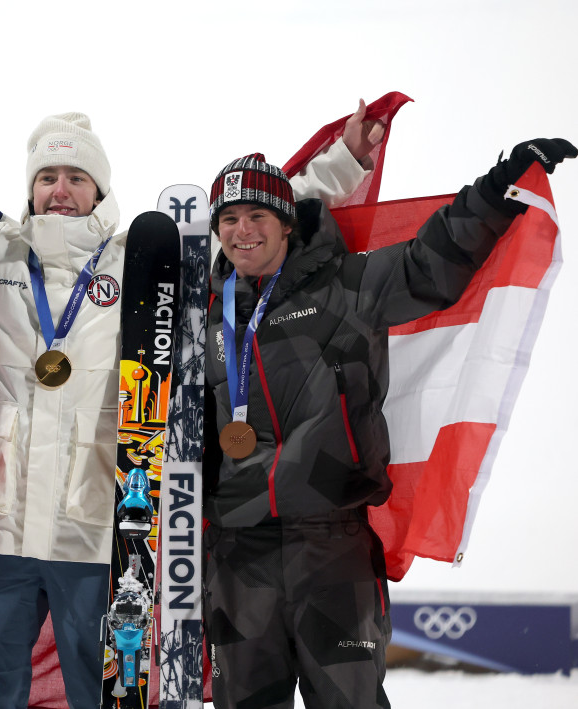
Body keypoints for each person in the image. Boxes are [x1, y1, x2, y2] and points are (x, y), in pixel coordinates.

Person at [0, 105, 384, 708]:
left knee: (104, 691)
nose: (60, 190)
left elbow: (250, 227)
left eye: (76, 177)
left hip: (97, 533)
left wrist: (345, 163)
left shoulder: (142, 258)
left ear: (100, 189)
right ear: (30, 187)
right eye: (47, 177)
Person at [200, 139, 575, 708]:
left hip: (331, 545)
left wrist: (499, 185)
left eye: (257, 215)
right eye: (229, 219)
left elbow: (432, 262)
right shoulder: (205, 317)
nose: (242, 230)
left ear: (286, 224)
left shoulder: (348, 286)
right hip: (237, 553)